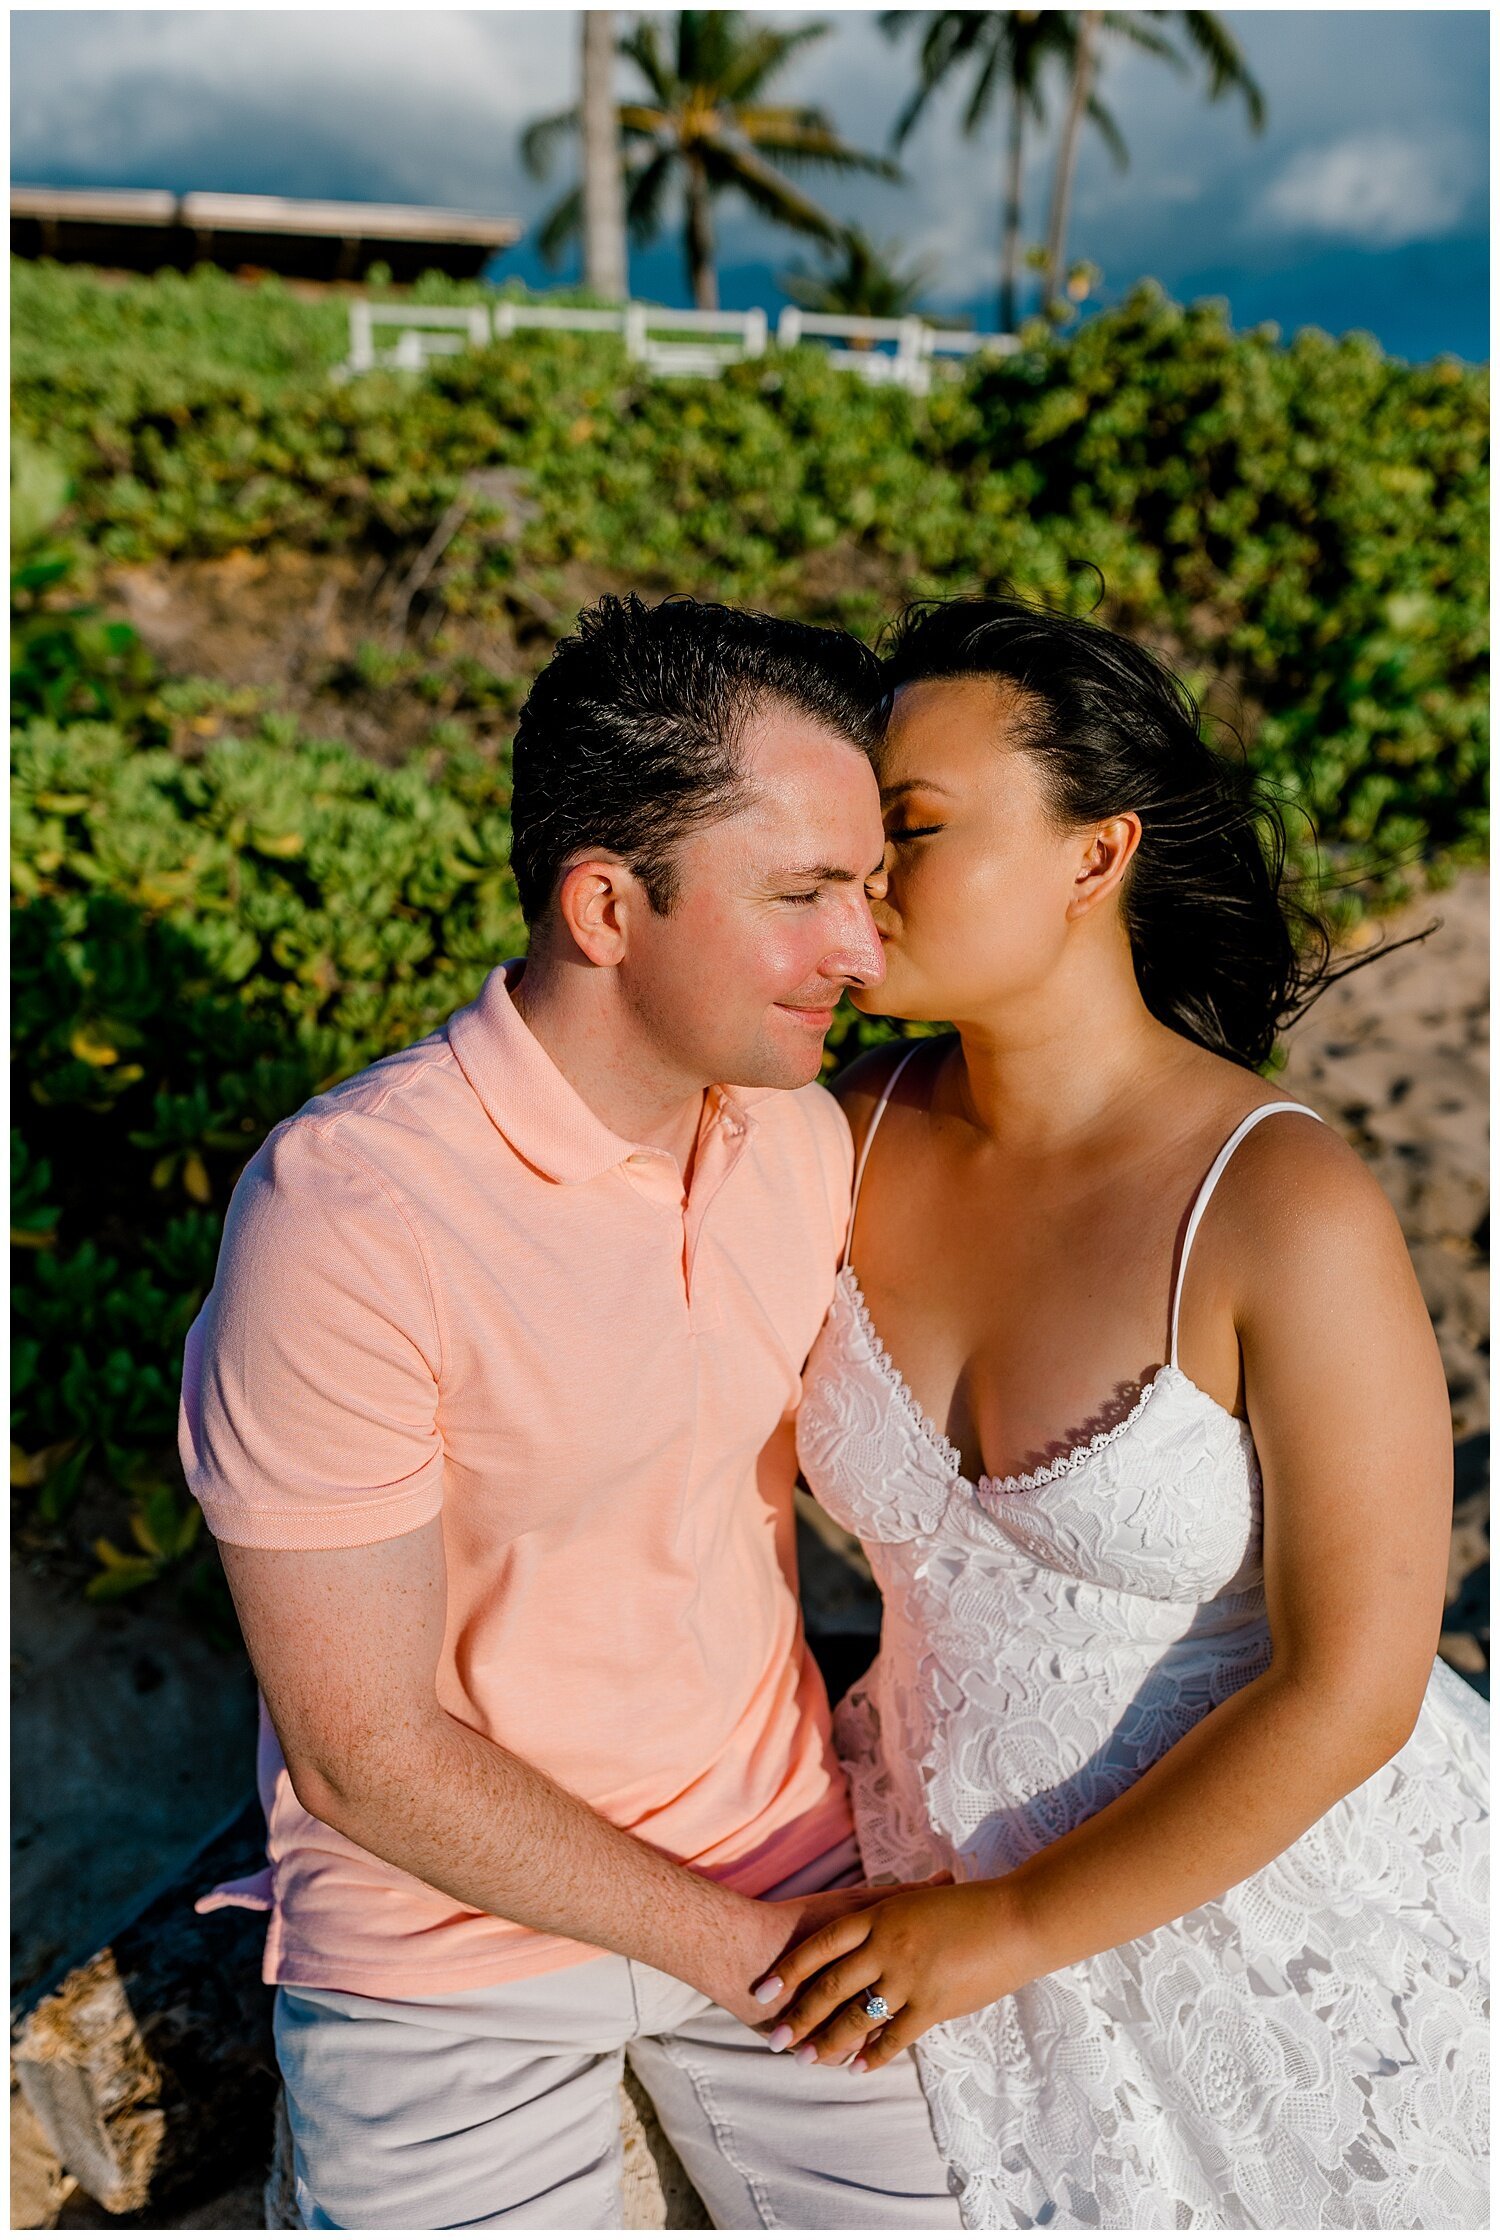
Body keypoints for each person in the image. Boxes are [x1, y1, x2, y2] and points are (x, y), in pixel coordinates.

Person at [178, 594, 962, 2230]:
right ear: (607, 905)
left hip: (782, 1857)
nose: (868, 953)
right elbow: (366, 1751)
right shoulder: (352, 1214)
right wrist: (748, 1956)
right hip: (443, 1943)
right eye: (805, 895)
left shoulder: (800, 1135)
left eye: (869, 892)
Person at [775, 595, 1489, 2229]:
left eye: (912, 828)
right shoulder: (836, 1135)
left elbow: (1357, 1687)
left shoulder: (1280, 1200)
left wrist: (1012, 1927)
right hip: (919, 1890)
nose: (858, 877)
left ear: (1098, 855)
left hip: (1276, 1901)